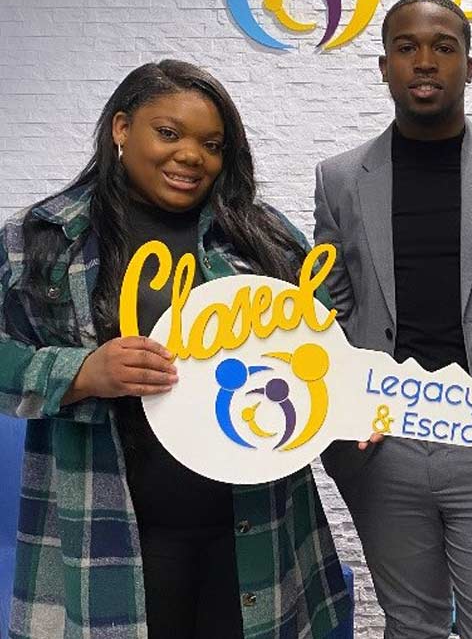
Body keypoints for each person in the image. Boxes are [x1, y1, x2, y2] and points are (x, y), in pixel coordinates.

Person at [0, 60, 350, 639]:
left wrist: (354, 401)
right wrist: (81, 371)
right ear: (120, 129)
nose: (192, 156)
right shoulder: (42, 236)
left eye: (212, 144)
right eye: (169, 133)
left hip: (253, 528)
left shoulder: (262, 236)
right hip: (112, 530)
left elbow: (324, 352)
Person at [313, 0, 472, 639]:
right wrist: (339, 410)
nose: (425, 61)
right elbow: (329, 309)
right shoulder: (339, 178)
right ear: (384, 66)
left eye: (443, 48)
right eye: (407, 47)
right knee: (412, 625)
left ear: (469, 67)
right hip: (384, 445)